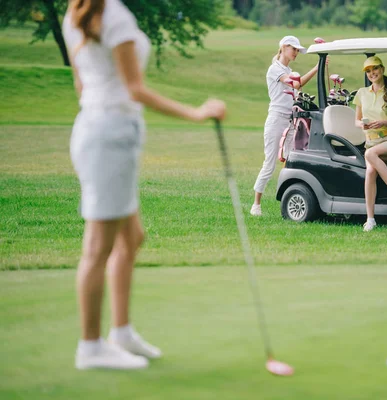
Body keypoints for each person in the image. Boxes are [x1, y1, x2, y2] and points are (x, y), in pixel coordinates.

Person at [62, 0, 226, 370]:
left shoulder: (77, 12)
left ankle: (120, 333)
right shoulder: (112, 15)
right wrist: (196, 113)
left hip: (103, 131)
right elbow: (135, 88)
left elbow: (81, 82)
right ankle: (90, 347)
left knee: (131, 237)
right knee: (97, 246)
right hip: (108, 136)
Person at [250, 36, 321, 216]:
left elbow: (296, 88)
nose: (296, 53)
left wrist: (319, 66)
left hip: (291, 120)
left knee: (291, 160)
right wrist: (318, 66)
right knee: (270, 163)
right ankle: (256, 204)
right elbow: (296, 83)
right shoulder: (275, 69)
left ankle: (291, 196)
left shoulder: (289, 70)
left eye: (297, 50)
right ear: (283, 47)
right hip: (276, 119)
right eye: (294, 49)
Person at [353, 56, 387, 232]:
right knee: (370, 171)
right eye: (368, 71)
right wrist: (362, 124)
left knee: (370, 155)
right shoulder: (362, 93)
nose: (372, 73)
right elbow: (356, 120)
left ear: (382, 69)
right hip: (372, 143)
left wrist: (385, 123)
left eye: (375, 69)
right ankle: (370, 219)